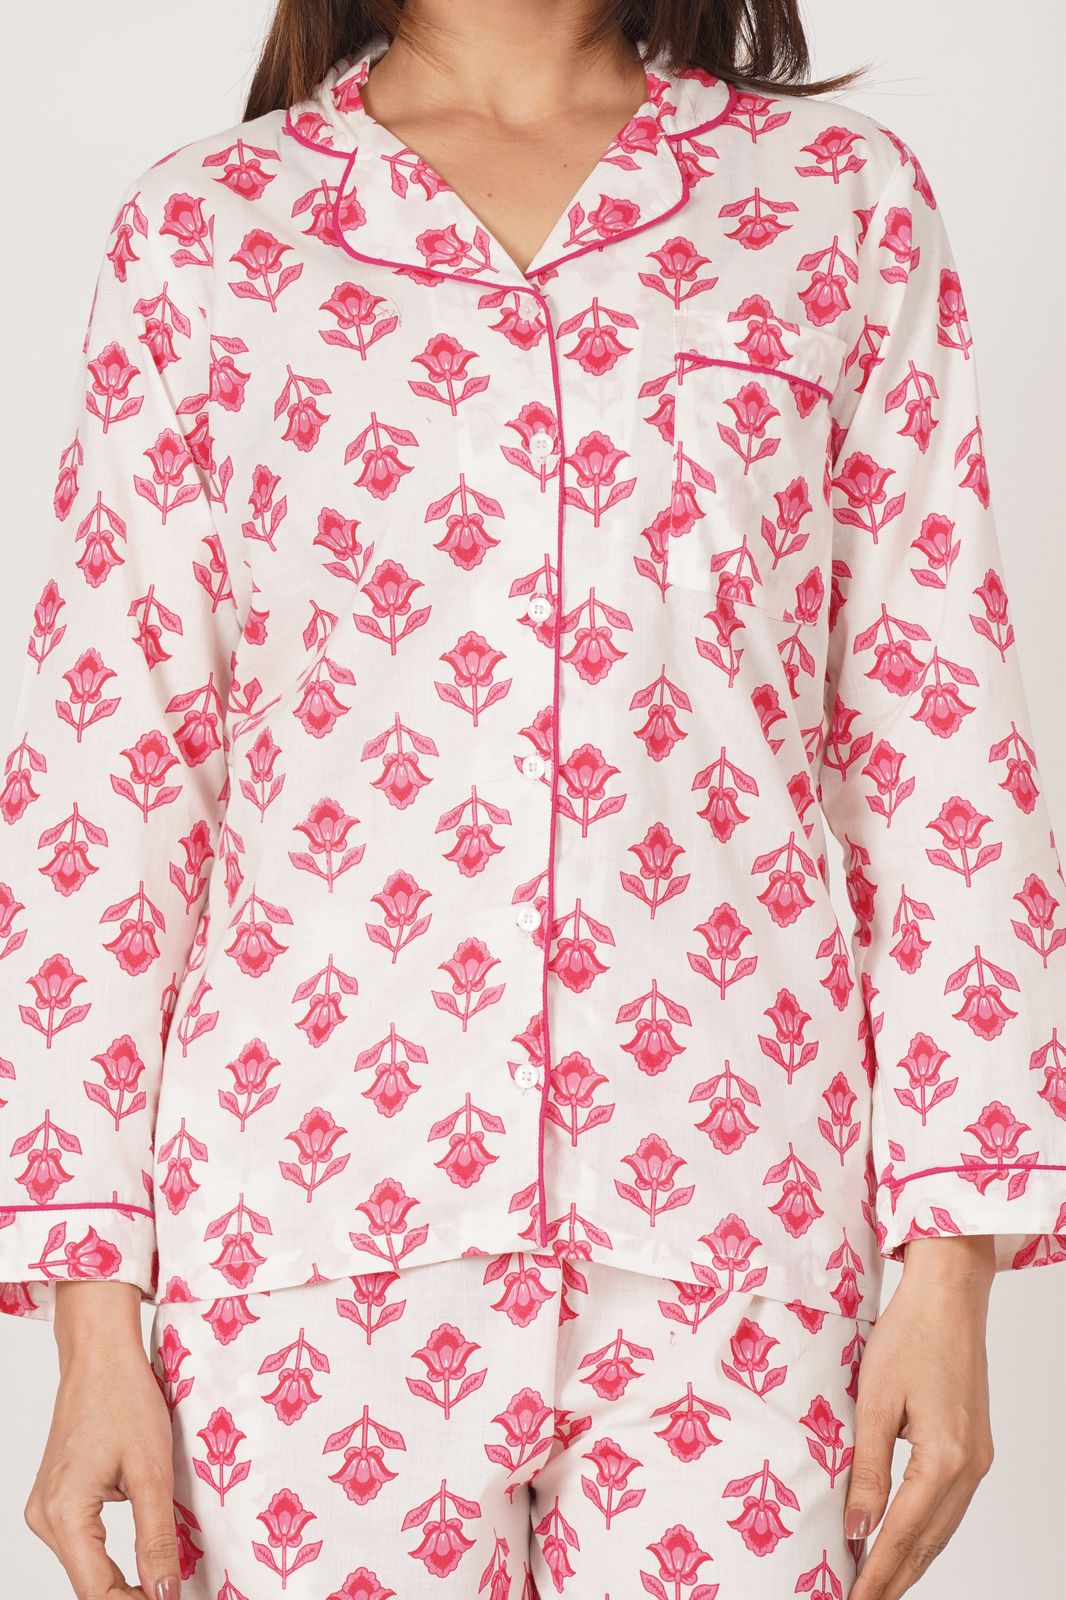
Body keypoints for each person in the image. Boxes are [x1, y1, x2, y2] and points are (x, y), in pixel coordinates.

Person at [2, 2, 1063, 1597]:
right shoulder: (207, 232)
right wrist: (94, 1322)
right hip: (302, 1234)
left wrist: (951, 1268)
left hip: (734, 1229)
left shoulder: (832, 201)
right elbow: (112, 774)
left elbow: (936, 730)